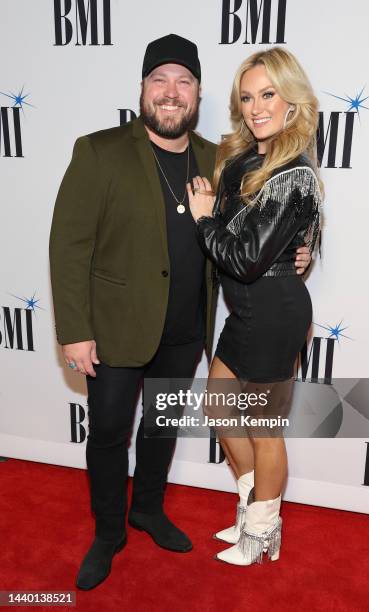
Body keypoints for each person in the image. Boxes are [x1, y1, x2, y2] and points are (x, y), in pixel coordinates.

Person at [49, 35, 312, 589]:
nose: (171, 93)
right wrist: (75, 331)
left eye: (184, 82)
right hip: (117, 328)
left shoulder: (218, 157)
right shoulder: (99, 150)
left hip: (187, 327)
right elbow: (69, 246)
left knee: (161, 428)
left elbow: (261, 225)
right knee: (109, 433)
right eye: (159, 81)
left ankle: (147, 510)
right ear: (143, 88)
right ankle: (108, 532)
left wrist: (300, 250)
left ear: (196, 94)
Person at [187, 46, 322, 566]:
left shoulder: (295, 173)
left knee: (265, 428)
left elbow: (242, 258)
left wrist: (203, 220)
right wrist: (301, 249)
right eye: (247, 97)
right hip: (245, 313)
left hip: (275, 313)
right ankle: (250, 503)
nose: (255, 106)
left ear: (291, 101)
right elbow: (284, 238)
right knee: (219, 403)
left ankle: (264, 529)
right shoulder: (246, 158)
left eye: (267, 94)